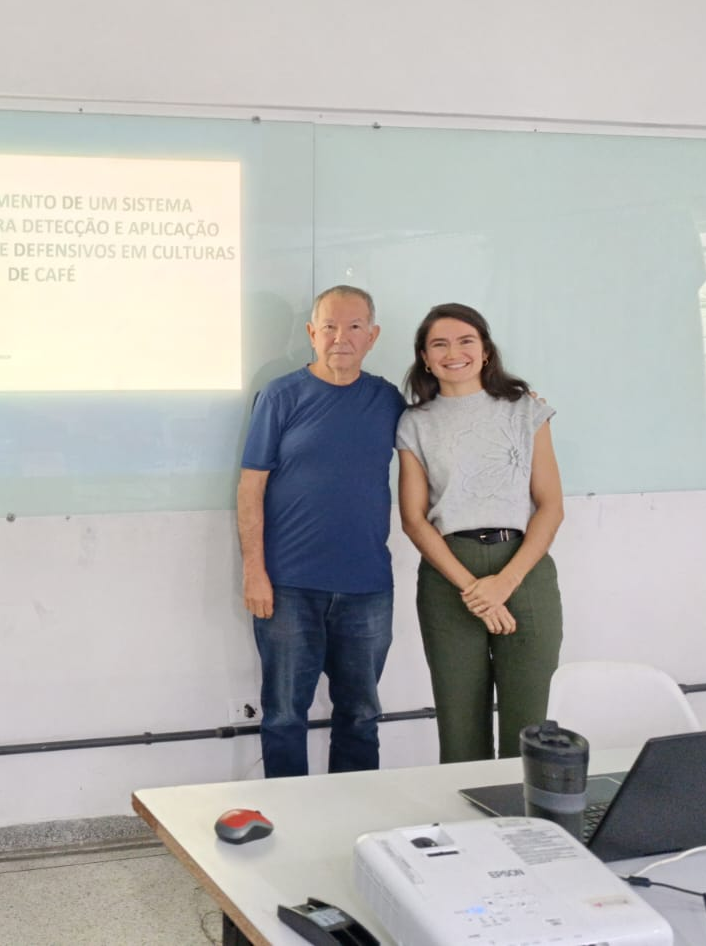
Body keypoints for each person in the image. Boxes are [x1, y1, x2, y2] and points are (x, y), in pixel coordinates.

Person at [237, 285, 404, 778]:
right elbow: (250, 489)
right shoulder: (280, 396)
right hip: (288, 586)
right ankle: (288, 814)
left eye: (354, 326)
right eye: (329, 326)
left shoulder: (388, 400)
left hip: (368, 588)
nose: (340, 337)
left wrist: (514, 403)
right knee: (284, 715)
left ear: (372, 336)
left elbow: (444, 425)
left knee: (361, 716)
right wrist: (254, 572)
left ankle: (352, 813)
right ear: (312, 333)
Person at [395, 302, 564, 762]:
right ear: (425, 357)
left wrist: (505, 583)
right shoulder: (414, 423)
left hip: (524, 570)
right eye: (440, 344)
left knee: (528, 727)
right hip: (449, 575)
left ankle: (523, 811)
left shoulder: (526, 411)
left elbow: (551, 507)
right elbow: (413, 519)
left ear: (486, 350)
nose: (454, 353)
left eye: (466, 341)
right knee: (459, 729)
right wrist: (473, 590)